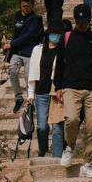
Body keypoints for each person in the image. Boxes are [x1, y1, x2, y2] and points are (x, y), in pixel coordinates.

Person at [49, 7, 92, 176]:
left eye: (85, 22)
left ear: (89, 20)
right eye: (79, 23)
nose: (83, 26)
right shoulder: (67, 38)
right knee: (71, 119)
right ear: (75, 21)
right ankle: (69, 147)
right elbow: (60, 64)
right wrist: (58, 86)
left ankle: (87, 164)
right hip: (71, 87)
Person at [5, 0, 44, 114]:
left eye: (28, 6)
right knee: (12, 71)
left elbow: (29, 36)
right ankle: (18, 98)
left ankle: (30, 101)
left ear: (32, 5)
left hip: (30, 52)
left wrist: (12, 43)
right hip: (17, 52)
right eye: (23, 6)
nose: (25, 8)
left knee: (29, 78)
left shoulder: (36, 19)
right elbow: (16, 32)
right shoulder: (17, 16)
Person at [31, 29, 59, 158]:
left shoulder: (62, 50)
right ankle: (43, 150)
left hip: (55, 93)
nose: (55, 36)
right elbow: (32, 70)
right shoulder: (38, 49)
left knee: (57, 127)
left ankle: (57, 152)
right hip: (41, 92)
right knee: (42, 127)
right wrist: (30, 93)